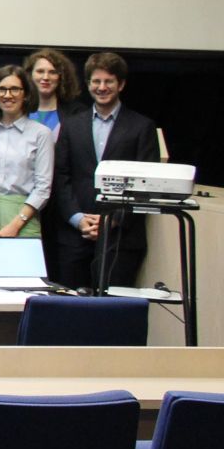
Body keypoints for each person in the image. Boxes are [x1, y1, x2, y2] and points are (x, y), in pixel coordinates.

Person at [52, 51, 161, 289]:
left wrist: (112, 220)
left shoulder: (142, 127)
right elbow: (60, 177)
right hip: (75, 236)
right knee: (67, 311)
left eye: (108, 81)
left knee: (112, 313)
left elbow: (147, 184)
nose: (102, 87)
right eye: (96, 81)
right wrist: (78, 219)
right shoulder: (71, 126)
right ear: (88, 84)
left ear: (121, 84)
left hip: (120, 237)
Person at [0, 64, 54, 245]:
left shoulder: (41, 133)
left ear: (26, 94)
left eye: (14, 89)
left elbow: (43, 188)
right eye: (2, 89)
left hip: (23, 217)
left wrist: (16, 225)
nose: (7, 95)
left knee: (23, 273)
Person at [23, 47, 81, 132]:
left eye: (52, 72)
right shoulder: (18, 110)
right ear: (30, 74)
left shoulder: (77, 113)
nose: (46, 77)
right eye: (40, 71)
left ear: (62, 77)